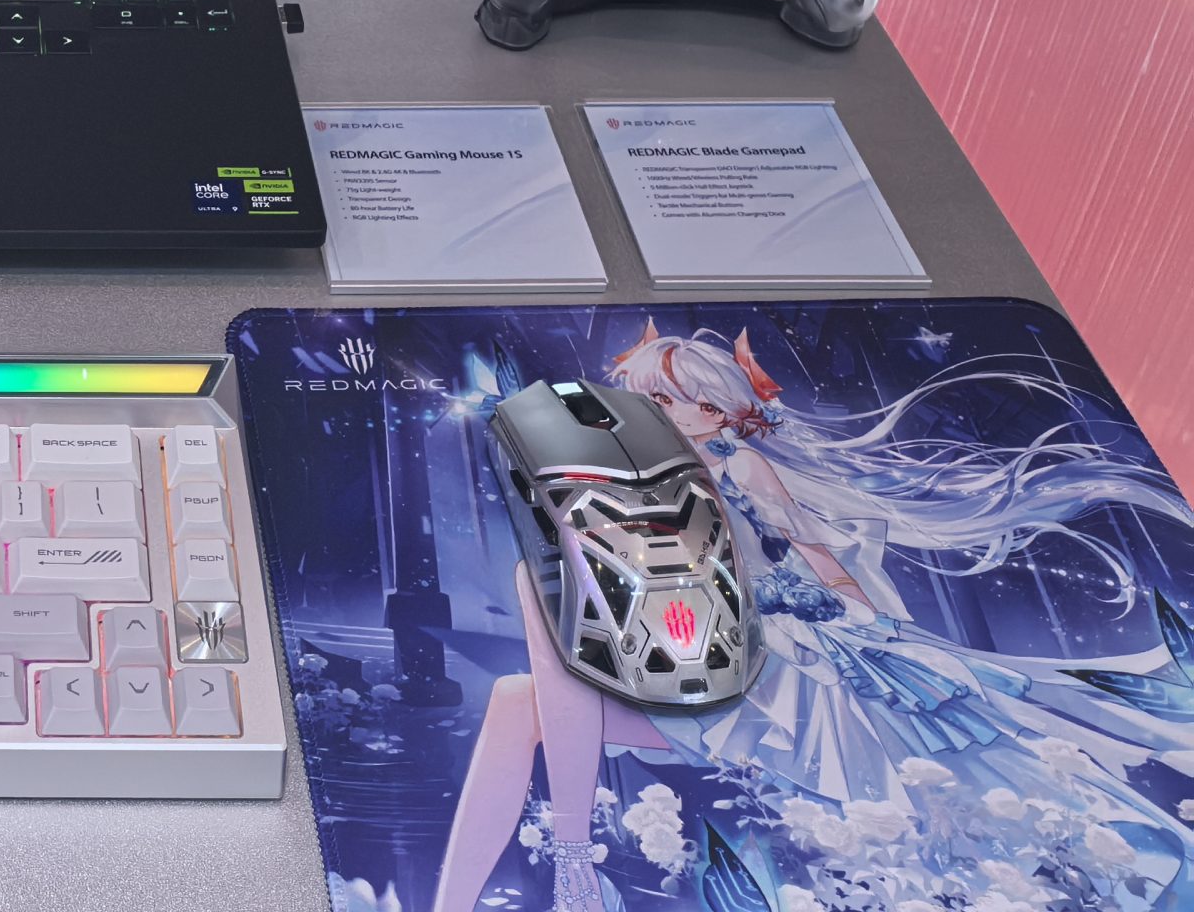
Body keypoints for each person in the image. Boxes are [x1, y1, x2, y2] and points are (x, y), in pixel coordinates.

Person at [432, 322, 1194, 912]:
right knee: (515, 691)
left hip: (779, 666)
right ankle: (480, 896)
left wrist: (880, 641)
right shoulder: (641, 477)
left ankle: (573, 868)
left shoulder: (736, 466)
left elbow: (817, 564)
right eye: (635, 400)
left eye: (659, 402)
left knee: (538, 608)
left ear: (712, 412)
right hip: (698, 654)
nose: (638, 415)